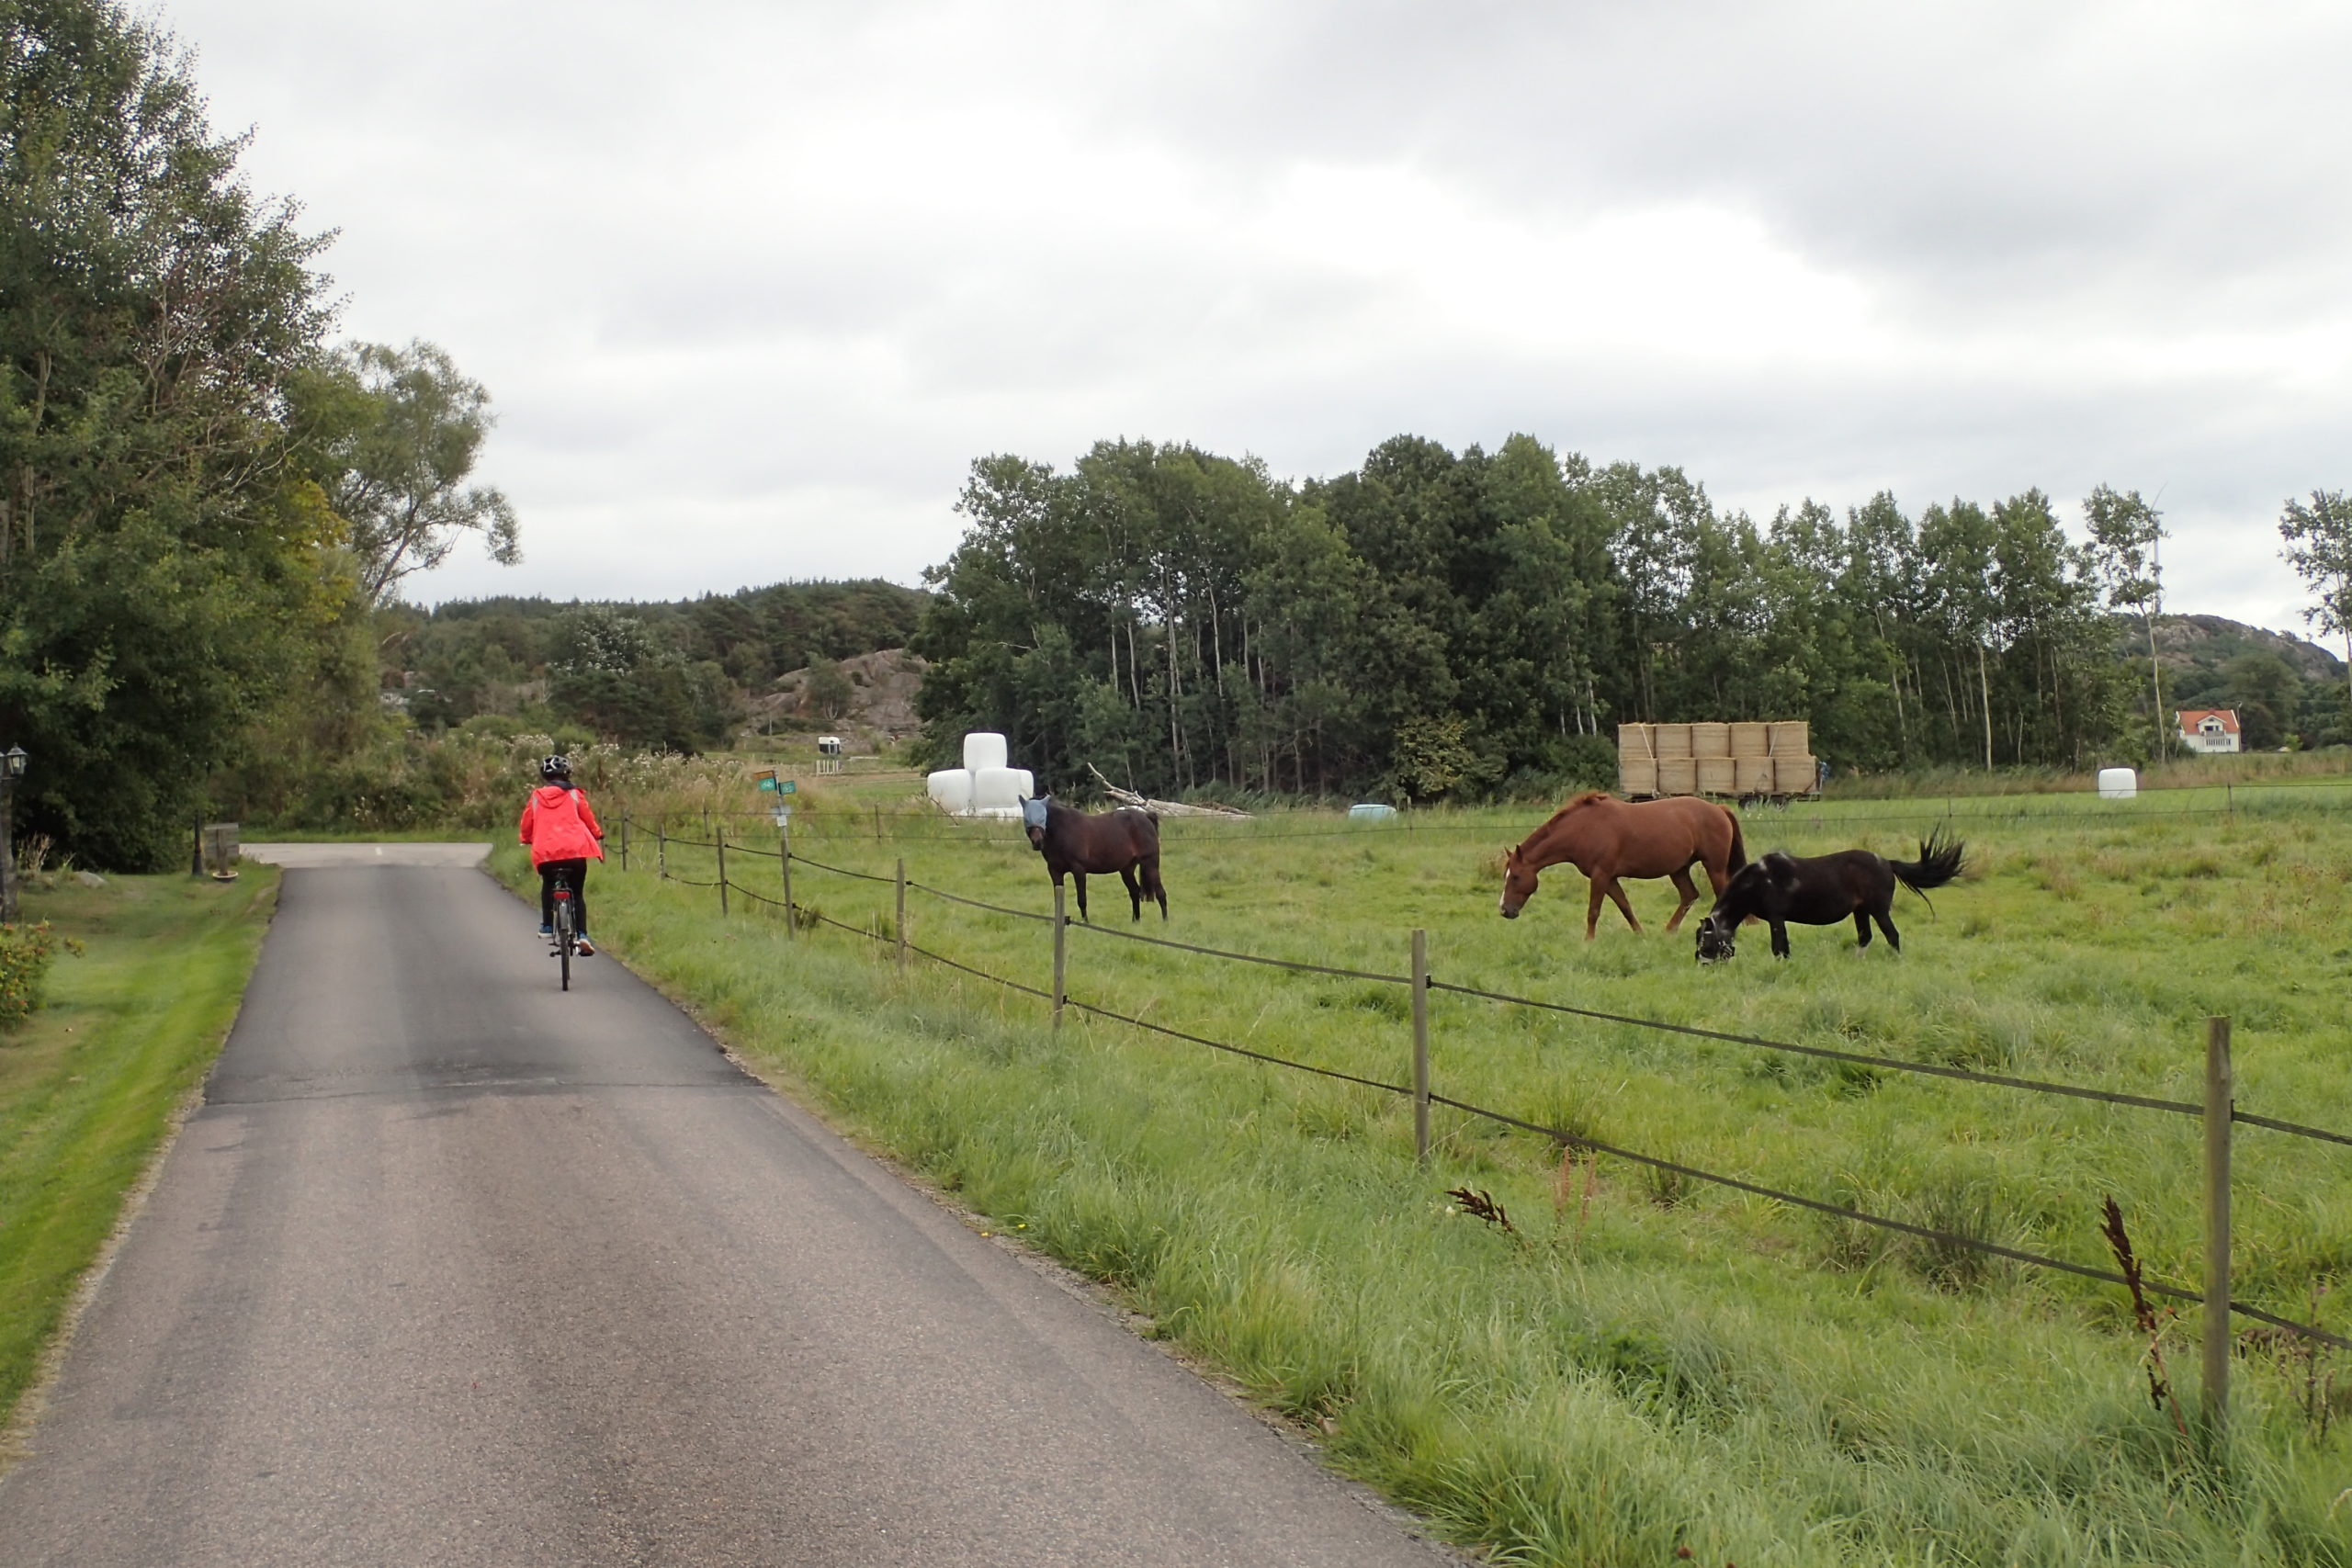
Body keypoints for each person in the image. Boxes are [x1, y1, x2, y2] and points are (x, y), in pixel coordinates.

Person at [519, 755, 605, 956]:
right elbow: (588, 818)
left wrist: (526, 838)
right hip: (575, 852)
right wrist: (598, 833)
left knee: (548, 884)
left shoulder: (536, 797)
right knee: (578, 892)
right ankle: (582, 934)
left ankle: (547, 926)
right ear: (567, 774)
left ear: (545, 776)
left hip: (546, 854)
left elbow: (526, 823)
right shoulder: (574, 794)